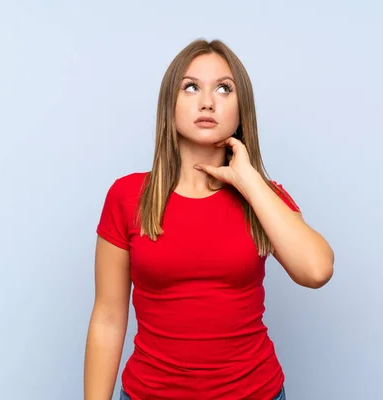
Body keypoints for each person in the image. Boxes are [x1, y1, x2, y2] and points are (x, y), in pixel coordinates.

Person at [83, 38, 335, 400]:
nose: (207, 101)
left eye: (223, 88)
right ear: (169, 105)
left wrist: (248, 181)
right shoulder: (127, 196)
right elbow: (107, 319)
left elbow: (316, 270)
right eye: (190, 87)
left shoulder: (264, 198)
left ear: (241, 110)